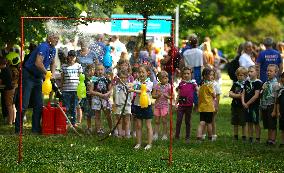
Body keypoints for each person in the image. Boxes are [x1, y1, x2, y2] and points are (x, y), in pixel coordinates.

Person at [15, 33, 59, 134]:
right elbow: (38, 63)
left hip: (38, 77)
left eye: (58, 38)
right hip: (28, 76)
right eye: (55, 38)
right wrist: (47, 73)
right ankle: (18, 130)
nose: (57, 40)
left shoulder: (53, 49)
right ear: (49, 38)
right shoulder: (43, 46)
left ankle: (36, 130)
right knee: (24, 105)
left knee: (39, 105)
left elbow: (53, 63)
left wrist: (51, 75)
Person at [130, 65, 153, 150]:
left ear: (148, 73)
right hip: (137, 105)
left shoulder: (149, 83)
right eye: (139, 72)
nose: (141, 74)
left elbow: (143, 91)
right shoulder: (137, 81)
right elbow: (132, 84)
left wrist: (133, 90)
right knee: (138, 125)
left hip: (147, 106)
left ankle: (149, 144)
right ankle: (138, 143)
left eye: (143, 72)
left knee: (148, 125)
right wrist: (129, 85)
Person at [175, 67, 198, 143]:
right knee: (179, 120)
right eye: (184, 73)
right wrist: (175, 103)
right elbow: (178, 94)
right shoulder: (181, 83)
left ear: (191, 74)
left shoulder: (193, 84)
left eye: (188, 73)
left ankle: (187, 137)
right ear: (182, 74)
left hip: (189, 105)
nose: (186, 75)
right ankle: (177, 136)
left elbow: (198, 91)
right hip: (181, 105)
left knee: (187, 121)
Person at [61, 50, 83, 127]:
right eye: (70, 56)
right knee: (66, 107)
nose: (71, 58)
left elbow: (81, 79)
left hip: (75, 90)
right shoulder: (63, 66)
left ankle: (73, 123)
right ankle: (66, 122)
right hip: (66, 89)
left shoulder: (78, 66)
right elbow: (62, 78)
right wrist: (61, 88)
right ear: (68, 57)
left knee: (74, 107)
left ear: (75, 57)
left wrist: (81, 90)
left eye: (73, 56)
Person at [89, 64, 112, 135]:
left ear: (104, 70)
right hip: (96, 99)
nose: (100, 71)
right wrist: (100, 94)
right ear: (96, 70)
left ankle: (112, 129)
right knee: (97, 115)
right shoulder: (94, 78)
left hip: (105, 98)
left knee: (108, 114)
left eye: (101, 69)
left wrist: (107, 94)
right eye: (98, 70)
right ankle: (99, 130)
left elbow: (110, 89)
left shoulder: (107, 78)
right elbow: (91, 90)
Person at [241, 65, 262, 143]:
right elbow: (243, 93)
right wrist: (243, 102)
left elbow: (256, 96)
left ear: (256, 72)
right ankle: (250, 137)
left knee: (256, 122)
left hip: (254, 106)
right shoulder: (247, 82)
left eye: (251, 71)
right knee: (249, 122)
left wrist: (247, 103)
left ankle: (257, 138)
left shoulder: (258, 83)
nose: (249, 73)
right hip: (246, 105)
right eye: (248, 72)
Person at [260, 64, 280, 145]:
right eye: (267, 70)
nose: (268, 72)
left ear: (275, 73)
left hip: (272, 105)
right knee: (267, 123)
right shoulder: (266, 83)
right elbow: (262, 94)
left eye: (271, 71)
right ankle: (269, 139)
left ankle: (273, 140)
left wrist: (275, 110)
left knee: (272, 124)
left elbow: (276, 99)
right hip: (265, 105)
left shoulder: (276, 84)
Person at [196, 68, 216, 141]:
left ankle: (199, 136)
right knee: (209, 123)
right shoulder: (209, 85)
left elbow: (199, 96)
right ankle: (210, 138)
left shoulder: (201, 86)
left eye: (212, 75)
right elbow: (214, 95)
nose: (212, 76)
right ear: (205, 76)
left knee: (202, 122)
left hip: (202, 107)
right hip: (209, 107)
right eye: (210, 75)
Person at [229, 67, 248, 141]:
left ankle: (244, 136)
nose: (239, 77)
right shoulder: (235, 84)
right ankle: (235, 136)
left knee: (243, 122)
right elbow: (230, 93)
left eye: (241, 75)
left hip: (242, 106)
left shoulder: (246, 84)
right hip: (235, 106)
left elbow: (245, 95)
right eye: (238, 75)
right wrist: (238, 96)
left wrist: (237, 95)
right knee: (235, 122)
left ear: (246, 76)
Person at [113, 71, 133, 138]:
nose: (123, 79)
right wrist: (115, 103)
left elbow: (131, 96)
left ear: (127, 78)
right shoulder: (116, 87)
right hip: (119, 105)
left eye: (125, 78)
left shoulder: (129, 86)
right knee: (119, 120)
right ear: (119, 78)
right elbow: (114, 96)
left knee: (127, 120)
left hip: (127, 105)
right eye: (121, 78)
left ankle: (127, 134)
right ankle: (120, 134)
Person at [152, 71, 171, 141]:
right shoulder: (157, 86)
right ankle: (156, 134)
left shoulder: (169, 86)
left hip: (164, 106)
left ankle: (165, 134)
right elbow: (153, 96)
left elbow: (172, 96)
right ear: (159, 79)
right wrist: (157, 96)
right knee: (156, 121)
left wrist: (167, 96)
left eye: (166, 78)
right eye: (163, 78)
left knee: (164, 121)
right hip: (157, 106)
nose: (165, 80)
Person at [276, 72, 284, 147]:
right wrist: (278, 111)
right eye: (282, 77)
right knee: (282, 128)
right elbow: (277, 102)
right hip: (282, 112)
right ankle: (282, 142)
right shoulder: (281, 90)